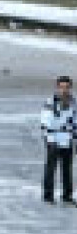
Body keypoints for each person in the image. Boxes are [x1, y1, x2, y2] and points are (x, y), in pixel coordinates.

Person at [41, 75, 77, 206]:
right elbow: (47, 122)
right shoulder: (50, 102)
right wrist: (50, 137)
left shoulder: (73, 102)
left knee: (67, 169)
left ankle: (67, 196)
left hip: (67, 139)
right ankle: (48, 195)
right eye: (62, 87)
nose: (64, 90)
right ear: (57, 88)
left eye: (67, 87)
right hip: (53, 138)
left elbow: (75, 121)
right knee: (51, 168)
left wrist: (74, 136)